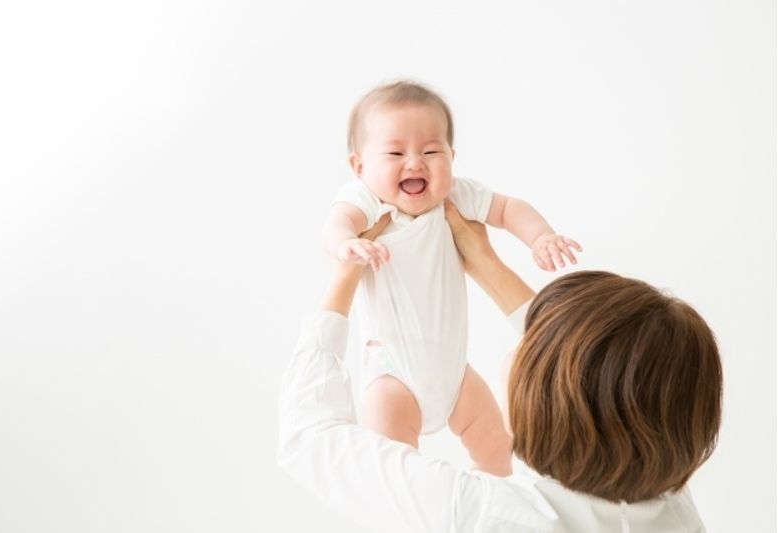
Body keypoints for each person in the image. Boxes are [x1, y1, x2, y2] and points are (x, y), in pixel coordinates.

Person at [278, 201, 722, 532]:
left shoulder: (483, 513)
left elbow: (310, 438)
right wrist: (486, 263)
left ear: (548, 404)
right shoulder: (673, 510)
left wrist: (342, 281)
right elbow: (607, 375)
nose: (514, 356)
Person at [321, 80, 582, 475]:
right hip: (392, 374)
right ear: (360, 167)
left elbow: (509, 208)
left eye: (431, 151)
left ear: (452, 157)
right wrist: (346, 245)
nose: (415, 163)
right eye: (395, 152)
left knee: (499, 453)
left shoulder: (455, 197)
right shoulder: (368, 202)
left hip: (455, 373)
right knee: (397, 475)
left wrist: (540, 236)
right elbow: (337, 223)